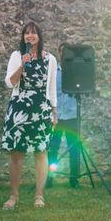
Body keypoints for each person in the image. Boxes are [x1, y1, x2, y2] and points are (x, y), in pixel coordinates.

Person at [1, 21, 57, 209]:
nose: (30, 36)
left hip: (41, 108)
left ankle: (39, 196)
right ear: (23, 37)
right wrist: (23, 65)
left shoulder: (50, 59)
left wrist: (54, 112)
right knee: (16, 152)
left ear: (39, 36)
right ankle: (14, 196)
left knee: (41, 152)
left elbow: (52, 88)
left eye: (33, 33)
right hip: (19, 108)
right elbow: (10, 83)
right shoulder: (17, 56)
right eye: (26, 33)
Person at [47, 43, 81, 188]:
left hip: (73, 115)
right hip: (57, 117)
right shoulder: (54, 72)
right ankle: (49, 178)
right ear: (59, 54)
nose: (64, 54)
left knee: (74, 148)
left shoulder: (77, 72)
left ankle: (74, 179)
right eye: (62, 52)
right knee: (53, 148)